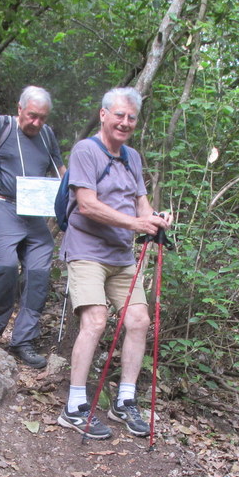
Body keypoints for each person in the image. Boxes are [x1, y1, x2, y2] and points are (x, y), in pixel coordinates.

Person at [55, 87, 171, 439]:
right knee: (95, 320)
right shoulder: (86, 151)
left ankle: (124, 401)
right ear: (104, 115)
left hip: (121, 255)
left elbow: (140, 204)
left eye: (131, 118)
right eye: (118, 115)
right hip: (86, 248)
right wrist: (135, 224)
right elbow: (87, 204)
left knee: (138, 320)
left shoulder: (132, 157)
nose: (124, 122)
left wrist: (155, 219)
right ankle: (74, 406)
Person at [0, 86, 65, 369]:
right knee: (5, 266)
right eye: (32, 116)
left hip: (34, 213)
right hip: (2, 204)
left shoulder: (47, 135)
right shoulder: (2, 126)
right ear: (19, 108)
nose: (36, 123)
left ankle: (24, 340)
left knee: (38, 272)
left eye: (42, 118)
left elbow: (62, 173)